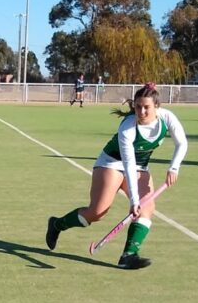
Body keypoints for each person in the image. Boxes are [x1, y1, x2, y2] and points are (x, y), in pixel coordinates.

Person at [44, 83, 188, 270]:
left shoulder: (166, 117)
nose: (142, 111)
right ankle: (57, 224)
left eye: (147, 107)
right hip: (112, 163)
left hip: (140, 167)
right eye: (138, 107)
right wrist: (133, 201)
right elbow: (128, 163)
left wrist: (174, 168)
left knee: (147, 207)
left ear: (157, 107)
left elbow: (182, 143)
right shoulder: (127, 127)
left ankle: (128, 255)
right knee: (97, 213)